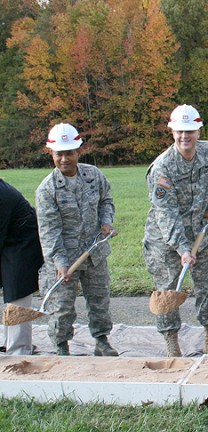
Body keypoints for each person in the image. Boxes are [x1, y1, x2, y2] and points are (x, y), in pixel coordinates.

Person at [144, 104, 208, 357]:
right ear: (172, 132)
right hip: (166, 240)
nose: (185, 136)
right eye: (179, 131)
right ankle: (172, 345)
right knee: (168, 292)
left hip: (202, 234)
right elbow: (166, 213)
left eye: (190, 131)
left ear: (198, 131)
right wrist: (183, 249)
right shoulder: (162, 167)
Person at [36, 123, 118, 356]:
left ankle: (102, 342)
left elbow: (106, 201)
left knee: (100, 301)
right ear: (51, 153)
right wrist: (60, 263)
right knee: (61, 308)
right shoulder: (47, 190)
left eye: (69, 153)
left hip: (94, 253)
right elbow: (49, 232)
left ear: (78, 152)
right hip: (64, 258)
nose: (64, 159)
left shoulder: (93, 175)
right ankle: (61, 347)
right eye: (59, 154)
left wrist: (106, 221)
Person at [1, 179, 44, 355]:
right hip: (5, 234)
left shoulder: (1, 196)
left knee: (17, 292)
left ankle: (19, 350)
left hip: (23, 239)